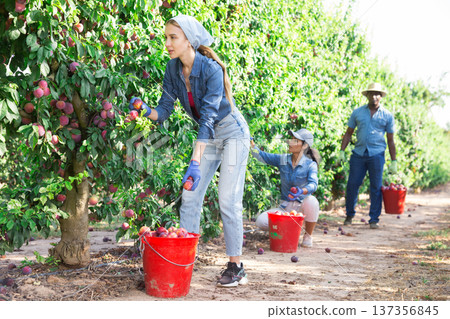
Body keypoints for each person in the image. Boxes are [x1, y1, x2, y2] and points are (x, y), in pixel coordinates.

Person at [129, 15, 250, 288]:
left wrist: (194, 162)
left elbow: (207, 119)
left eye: (174, 37)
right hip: (209, 138)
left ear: (188, 40)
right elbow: (163, 112)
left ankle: (236, 266)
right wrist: (144, 110)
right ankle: (184, 261)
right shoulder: (172, 70)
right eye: (166, 37)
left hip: (232, 134)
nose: (168, 43)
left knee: (228, 200)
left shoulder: (211, 69)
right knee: (190, 194)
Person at [337, 83, 397, 229]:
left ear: (381, 97)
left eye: (377, 94)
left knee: (376, 187)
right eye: (372, 93)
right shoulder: (357, 112)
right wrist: (342, 151)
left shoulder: (387, 115)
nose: (374, 96)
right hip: (358, 154)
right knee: (352, 184)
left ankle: (374, 219)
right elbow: (348, 133)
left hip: (377, 155)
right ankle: (349, 214)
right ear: (367, 95)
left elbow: (390, 139)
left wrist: (394, 160)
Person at [251, 128, 320, 248]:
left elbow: (313, 184)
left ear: (304, 146)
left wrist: (301, 191)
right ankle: (290, 231)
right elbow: (262, 156)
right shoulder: (283, 159)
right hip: (285, 207)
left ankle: (308, 235)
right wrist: (251, 143)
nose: (290, 142)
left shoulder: (310, 165)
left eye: (295, 140)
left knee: (312, 202)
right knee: (261, 221)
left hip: (301, 206)